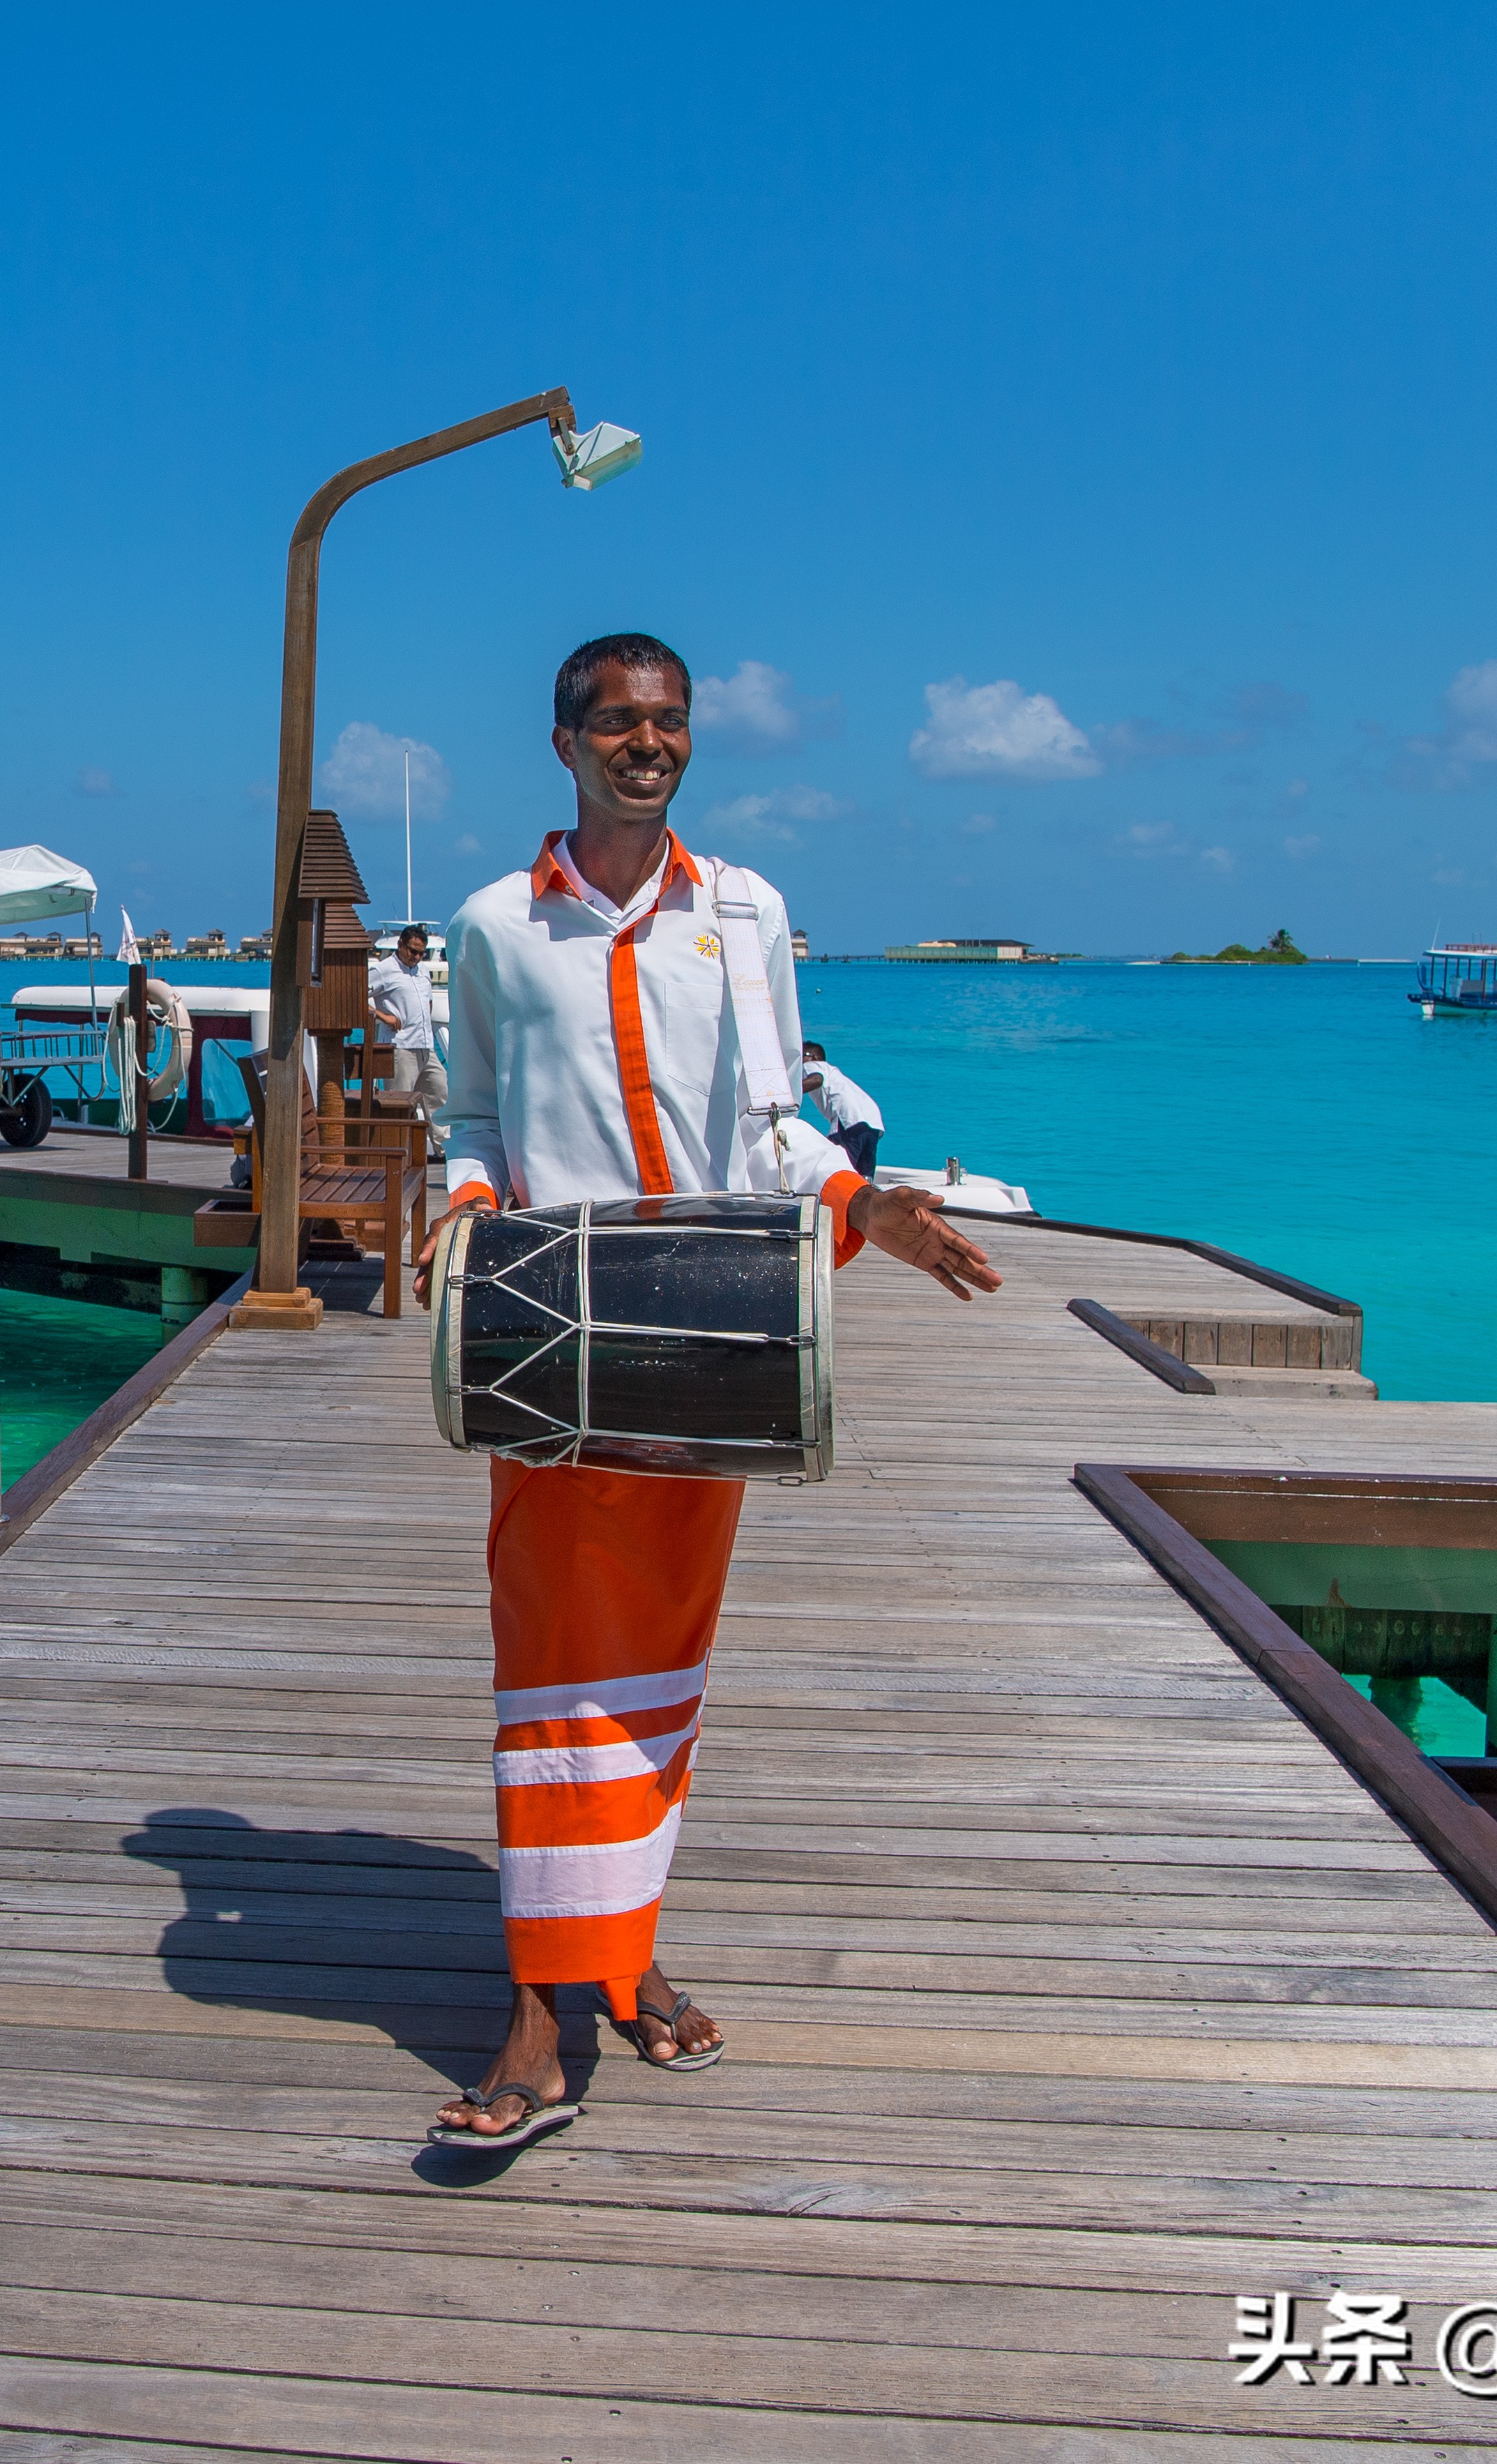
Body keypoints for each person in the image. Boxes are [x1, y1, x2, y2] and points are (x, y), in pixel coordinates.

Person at [419, 632, 1001, 2152]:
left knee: (661, 1663)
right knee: (550, 1664)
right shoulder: (492, 925)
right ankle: (544, 2011)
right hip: (553, 1335)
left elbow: (773, 1128)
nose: (645, 743)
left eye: (667, 721)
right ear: (563, 741)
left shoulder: (746, 913)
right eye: (616, 722)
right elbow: (468, 1110)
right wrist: (464, 1196)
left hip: (712, 1339)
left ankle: (625, 1950)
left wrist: (867, 1202)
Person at [371, 924, 446, 1111]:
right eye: (414, 951)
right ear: (400, 945)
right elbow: (352, 994)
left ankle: (441, 1141)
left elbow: (427, 1000)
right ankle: (399, 1142)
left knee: (440, 1095)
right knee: (400, 1105)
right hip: (400, 1048)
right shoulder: (383, 970)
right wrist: (382, 1017)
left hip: (426, 1047)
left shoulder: (423, 970)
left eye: (423, 953)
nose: (418, 957)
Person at [801, 1038, 885, 1178]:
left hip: (849, 1119)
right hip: (873, 1124)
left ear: (814, 1057)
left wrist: (787, 1092)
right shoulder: (835, 1074)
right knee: (864, 1176)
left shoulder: (812, 1065)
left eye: (802, 1055)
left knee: (835, 1167)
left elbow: (817, 1080)